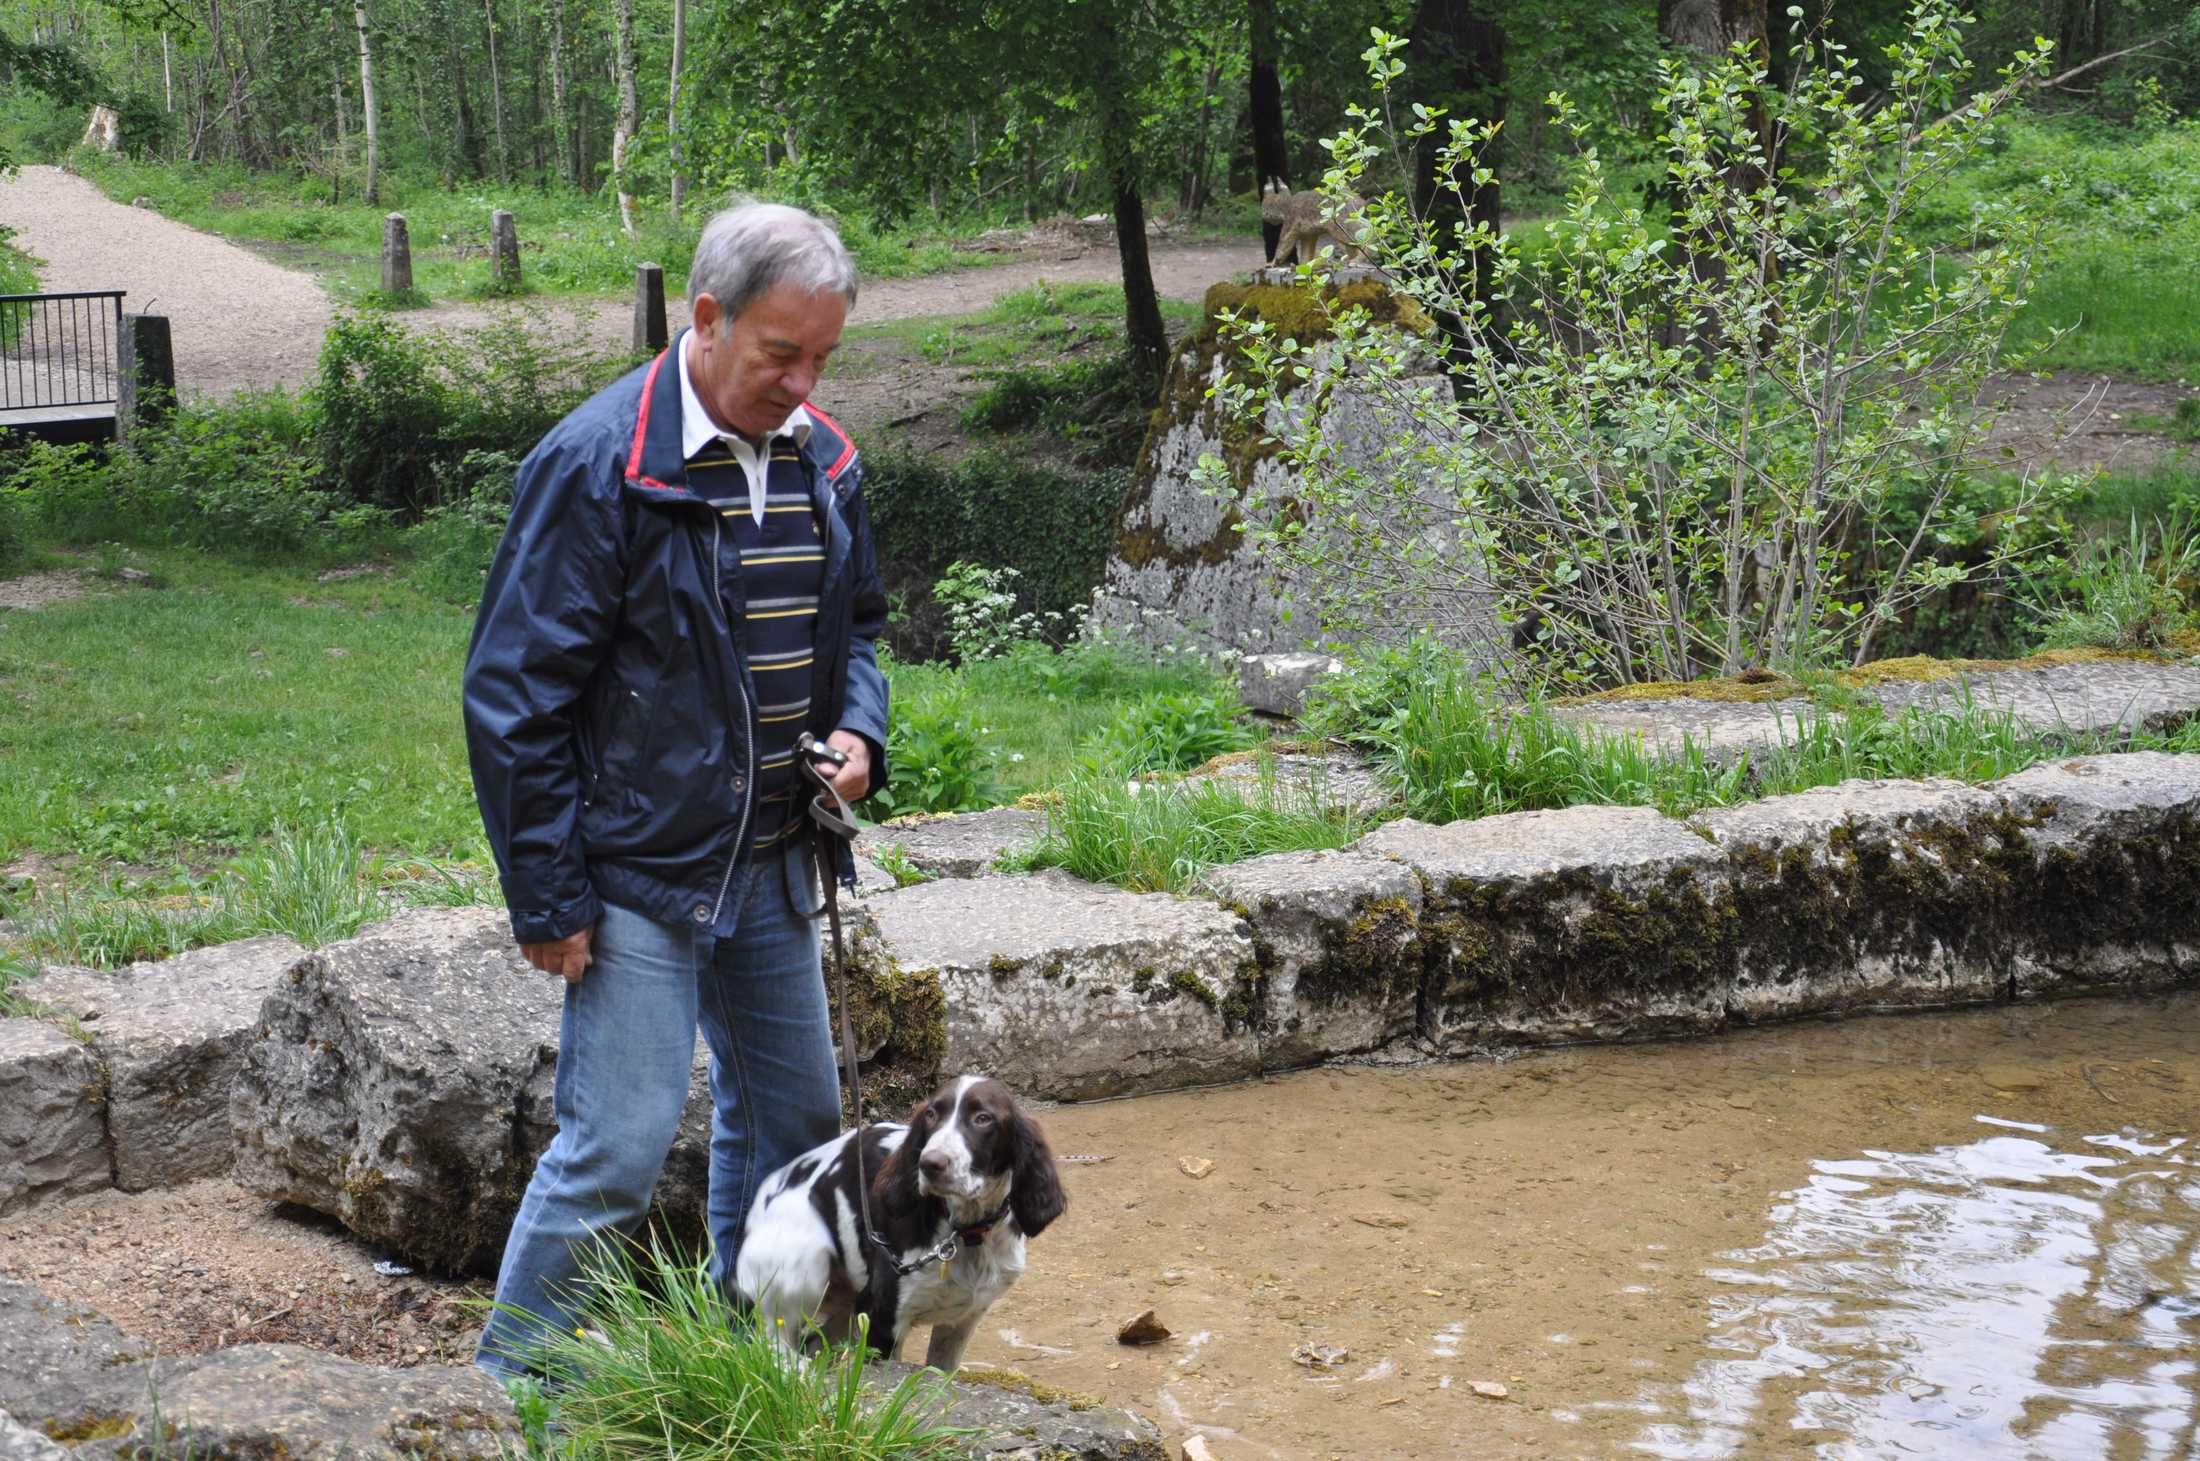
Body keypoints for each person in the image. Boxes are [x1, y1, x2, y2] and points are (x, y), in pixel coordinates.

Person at [461, 201, 888, 1377]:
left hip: (776, 859)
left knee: (796, 1129)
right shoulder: (597, 465)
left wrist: (859, 727)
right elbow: (513, 695)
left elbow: (857, 629)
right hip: (637, 874)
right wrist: (548, 897)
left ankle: (746, 1360)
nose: (802, 385)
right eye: (780, 355)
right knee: (617, 1149)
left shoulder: (826, 462)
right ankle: (510, 1397)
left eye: (822, 358)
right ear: (707, 318)